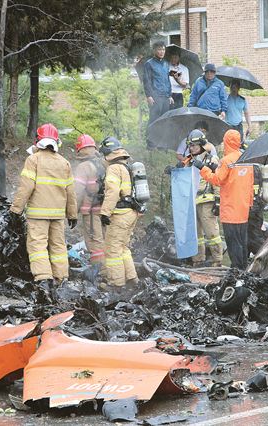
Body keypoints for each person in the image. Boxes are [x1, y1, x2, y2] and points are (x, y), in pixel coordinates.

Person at [10, 124, 77, 290]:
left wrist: (16, 209)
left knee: (38, 246)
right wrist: (72, 214)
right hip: (58, 215)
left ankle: (43, 279)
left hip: (38, 214)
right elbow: (71, 192)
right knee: (58, 246)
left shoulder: (34, 160)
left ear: (38, 141)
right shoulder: (64, 163)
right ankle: (61, 279)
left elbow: (26, 187)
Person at [196, 129, 253, 269]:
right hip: (243, 210)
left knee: (233, 244)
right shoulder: (246, 159)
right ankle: (244, 270)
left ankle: (236, 272)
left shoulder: (226, 160)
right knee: (242, 242)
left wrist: (203, 168)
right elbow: (248, 183)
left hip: (230, 211)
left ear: (227, 142)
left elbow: (217, 179)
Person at [99, 137, 139, 289]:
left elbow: (113, 191)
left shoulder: (114, 168)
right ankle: (132, 278)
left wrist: (105, 213)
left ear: (108, 154)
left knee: (112, 250)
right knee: (123, 247)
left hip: (120, 214)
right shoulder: (127, 167)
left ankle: (116, 284)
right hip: (131, 212)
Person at [182, 130, 223, 267]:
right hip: (191, 203)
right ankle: (198, 260)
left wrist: (218, 201)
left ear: (202, 144)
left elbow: (217, 180)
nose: (191, 148)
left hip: (206, 202)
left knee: (212, 234)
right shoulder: (188, 161)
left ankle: (217, 260)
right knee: (196, 235)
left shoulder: (211, 159)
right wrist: (174, 172)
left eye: (194, 145)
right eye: (189, 145)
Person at [73, 134, 106, 269]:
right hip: (105, 209)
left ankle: (99, 273)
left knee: (94, 241)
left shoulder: (84, 166)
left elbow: (78, 192)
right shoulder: (104, 163)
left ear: (80, 149)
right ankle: (110, 269)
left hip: (91, 210)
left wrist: (72, 212)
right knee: (104, 239)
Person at [143, 42, 173, 128]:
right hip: (155, 97)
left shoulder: (166, 64)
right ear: (154, 51)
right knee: (154, 120)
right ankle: (150, 141)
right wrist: (149, 96)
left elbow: (167, 80)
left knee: (165, 120)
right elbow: (146, 81)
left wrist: (170, 95)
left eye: (163, 49)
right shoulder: (149, 64)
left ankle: (163, 140)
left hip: (166, 97)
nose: (162, 52)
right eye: (159, 49)